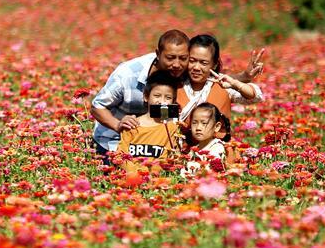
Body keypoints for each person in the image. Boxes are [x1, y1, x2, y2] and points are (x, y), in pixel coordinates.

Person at [91, 30, 264, 160]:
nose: (177, 64)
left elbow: (253, 95)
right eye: (193, 61)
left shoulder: (206, 81)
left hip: (211, 149)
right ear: (158, 55)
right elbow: (156, 115)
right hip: (116, 140)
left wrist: (242, 79)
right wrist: (122, 125)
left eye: (183, 58)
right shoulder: (133, 74)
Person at [177, 34, 262, 126]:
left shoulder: (223, 85)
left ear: (215, 64)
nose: (196, 67)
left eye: (203, 63)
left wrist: (235, 83)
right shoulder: (175, 85)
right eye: (192, 60)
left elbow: (254, 96)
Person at [114, 71, 184, 175]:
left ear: (173, 102)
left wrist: (149, 174)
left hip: (156, 181)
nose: (162, 101)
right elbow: (120, 155)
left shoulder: (172, 128)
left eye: (168, 97)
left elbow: (168, 158)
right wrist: (135, 173)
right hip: (130, 180)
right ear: (146, 97)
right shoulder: (132, 124)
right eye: (157, 95)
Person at [182, 102, 228, 175]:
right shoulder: (194, 149)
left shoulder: (217, 148)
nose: (198, 128)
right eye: (194, 123)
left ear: (217, 127)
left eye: (204, 123)